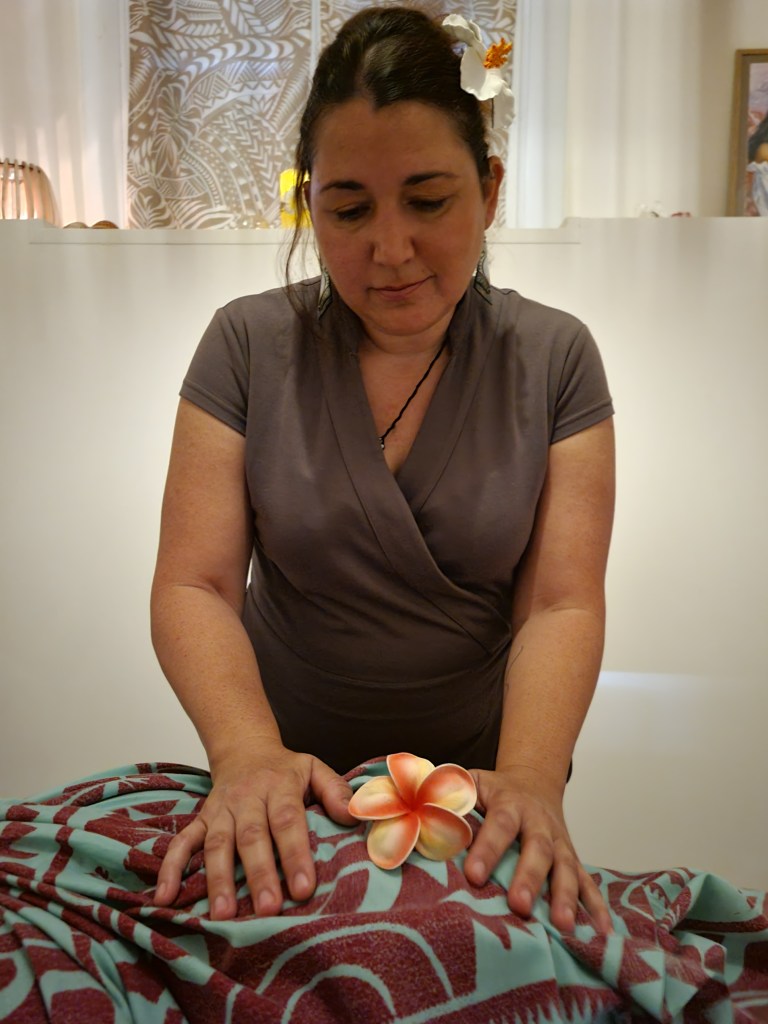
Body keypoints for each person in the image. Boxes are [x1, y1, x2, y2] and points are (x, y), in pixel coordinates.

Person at [151, 5, 615, 936]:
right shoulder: (246, 345)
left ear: (489, 188)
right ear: (311, 202)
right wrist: (245, 754)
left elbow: (561, 604)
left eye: (429, 201)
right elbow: (195, 584)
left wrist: (530, 777)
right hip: (282, 784)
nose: (390, 250)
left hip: (477, 791)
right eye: (350, 209)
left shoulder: (556, 358)